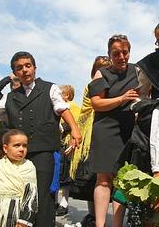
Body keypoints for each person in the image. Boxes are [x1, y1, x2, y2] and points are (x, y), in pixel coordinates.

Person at [0, 51, 82, 227]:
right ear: (15, 73)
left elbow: (62, 109)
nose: (25, 70)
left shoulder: (50, 88)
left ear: (34, 67)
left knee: (42, 196)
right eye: (19, 68)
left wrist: (75, 130)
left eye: (28, 65)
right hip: (19, 155)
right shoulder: (11, 97)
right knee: (19, 194)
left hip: (44, 151)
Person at [87, 34, 138, 227]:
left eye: (125, 52)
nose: (121, 57)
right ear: (109, 54)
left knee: (122, 179)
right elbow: (96, 103)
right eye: (116, 53)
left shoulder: (138, 71)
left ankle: (117, 225)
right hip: (106, 128)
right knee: (103, 179)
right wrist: (122, 99)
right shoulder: (101, 73)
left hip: (128, 129)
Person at [72, 56, 112, 227]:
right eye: (98, 68)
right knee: (91, 177)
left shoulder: (111, 84)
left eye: (105, 68)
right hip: (90, 132)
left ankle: (98, 216)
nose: (101, 71)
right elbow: (85, 111)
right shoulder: (92, 86)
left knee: (103, 176)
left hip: (105, 130)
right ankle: (93, 215)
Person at [55, 84, 81, 217]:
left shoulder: (73, 107)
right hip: (56, 144)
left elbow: (74, 123)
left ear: (67, 95)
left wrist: (60, 127)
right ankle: (54, 201)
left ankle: (64, 203)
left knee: (65, 175)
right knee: (55, 174)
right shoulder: (57, 107)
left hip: (67, 145)